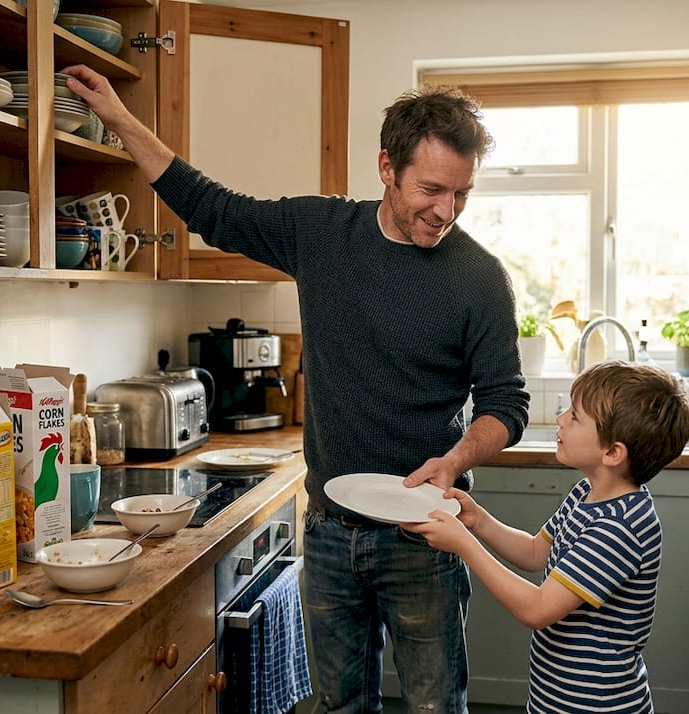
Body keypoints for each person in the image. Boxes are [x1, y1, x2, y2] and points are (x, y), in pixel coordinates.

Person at [62, 65, 531, 713]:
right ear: (386, 167)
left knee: (436, 706)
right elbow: (213, 208)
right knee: (340, 706)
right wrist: (119, 119)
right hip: (331, 530)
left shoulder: (479, 278)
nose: (445, 211)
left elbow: (508, 405)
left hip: (426, 536)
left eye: (461, 193)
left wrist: (454, 461)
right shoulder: (321, 234)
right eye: (431, 189)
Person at [406, 360, 689, 713]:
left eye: (575, 416)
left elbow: (538, 608)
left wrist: (464, 546)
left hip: (598, 705)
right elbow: (534, 551)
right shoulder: (586, 494)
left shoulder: (620, 526)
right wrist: (477, 521)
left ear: (612, 452)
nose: (560, 419)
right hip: (555, 699)